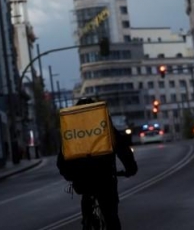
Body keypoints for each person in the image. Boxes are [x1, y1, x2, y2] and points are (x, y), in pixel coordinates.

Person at [56, 98, 138, 230]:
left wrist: (69, 174)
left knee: (87, 201)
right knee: (111, 217)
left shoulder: (73, 132)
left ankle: (87, 221)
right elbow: (121, 147)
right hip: (105, 178)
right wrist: (131, 168)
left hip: (82, 180)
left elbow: (62, 159)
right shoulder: (103, 125)